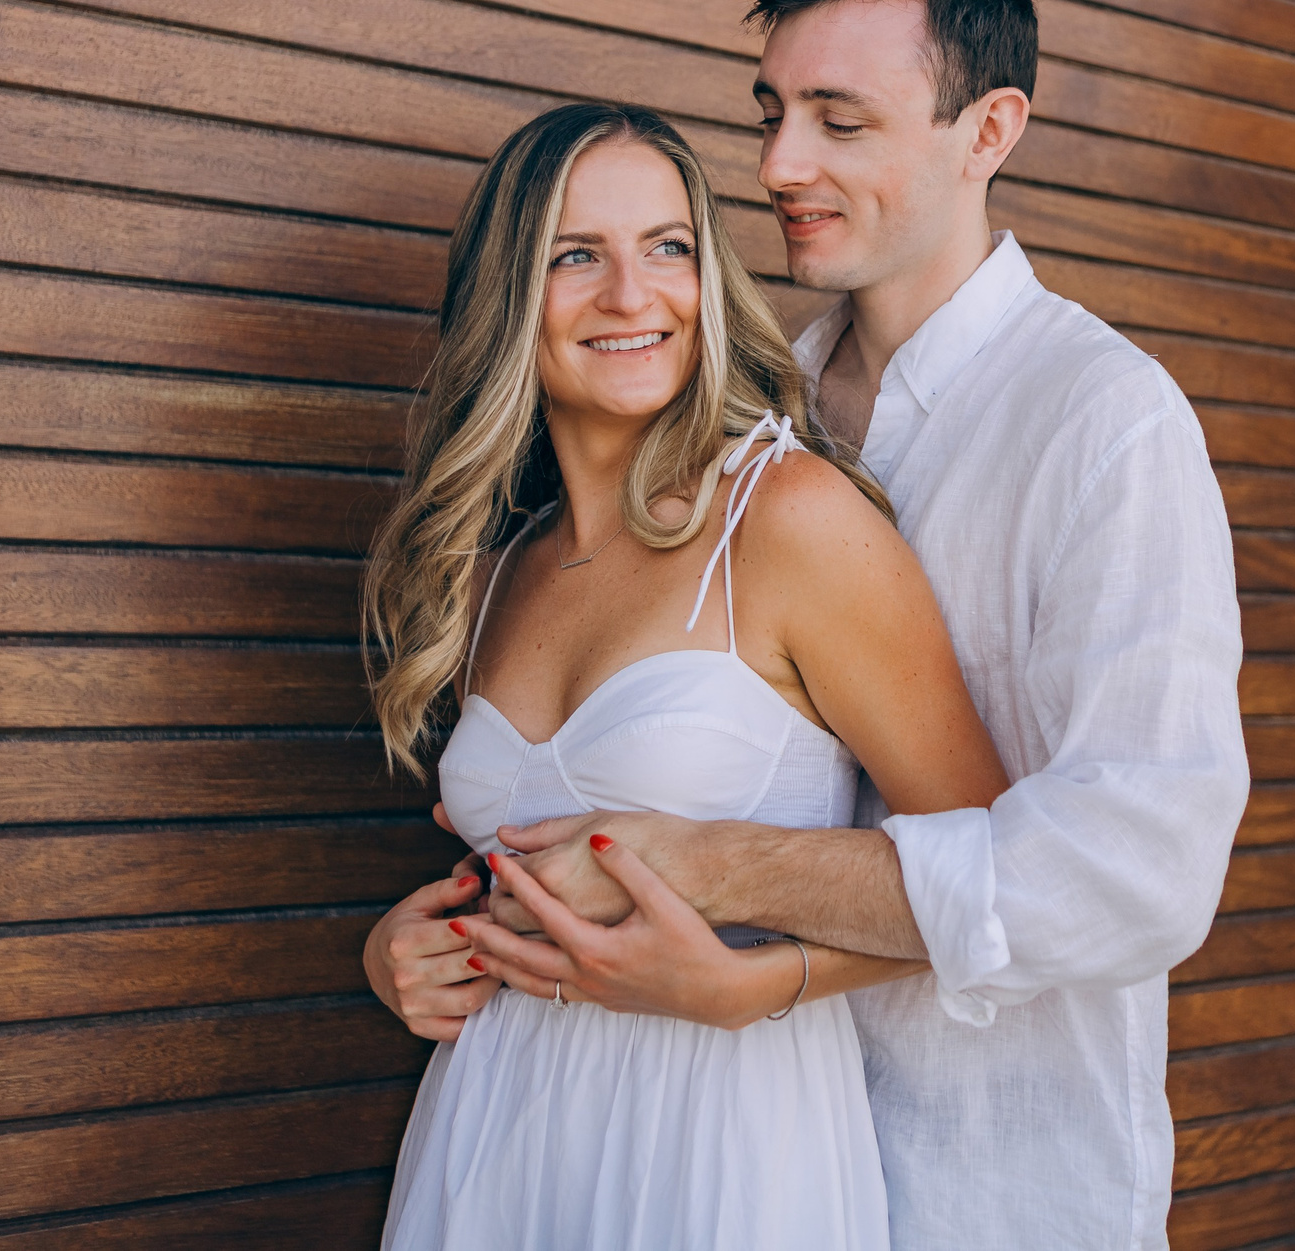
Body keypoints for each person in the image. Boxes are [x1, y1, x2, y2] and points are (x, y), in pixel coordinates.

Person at [374, 0, 1251, 1248]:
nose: (779, 167)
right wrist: (443, 931)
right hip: (611, 1137)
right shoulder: (732, 399)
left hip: (978, 1166)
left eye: (840, 120)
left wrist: (755, 949)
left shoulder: (1103, 421)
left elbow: (1143, 861)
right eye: (772, 114)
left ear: (990, 128)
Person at [361, 101, 1010, 1248]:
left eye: (668, 248)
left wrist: (770, 981)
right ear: (510, 299)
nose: (631, 294)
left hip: (725, 1135)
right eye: (576, 256)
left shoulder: (790, 517)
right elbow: (522, 873)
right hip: (499, 1124)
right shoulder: (492, 569)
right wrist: (406, 954)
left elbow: (994, 871)